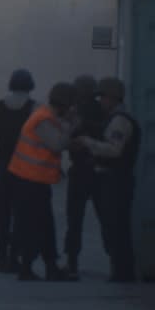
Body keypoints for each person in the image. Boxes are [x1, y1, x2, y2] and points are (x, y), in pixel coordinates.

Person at [73, 77, 140, 283]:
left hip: (116, 181)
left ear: (112, 97)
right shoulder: (114, 118)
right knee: (115, 226)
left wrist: (88, 142)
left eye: (102, 97)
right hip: (115, 179)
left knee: (117, 227)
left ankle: (122, 272)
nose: (100, 101)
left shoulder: (119, 120)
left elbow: (114, 150)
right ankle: (121, 270)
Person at [8, 82, 77, 281]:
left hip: (34, 180)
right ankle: (29, 267)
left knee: (44, 225)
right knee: (34, 225)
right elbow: (56, 144)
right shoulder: (43, 120)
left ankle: (47, 266)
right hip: (29, 180)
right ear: (64, 104)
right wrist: (72, 127)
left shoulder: (46, 116)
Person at [0, 69, 37, 274]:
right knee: (22, 213)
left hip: (2, 164)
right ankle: (15, 256)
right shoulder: (35, 107)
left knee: (2, 213)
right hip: (25, 166)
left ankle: (1, 258)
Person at [63, 75, 105, 277]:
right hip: (99, 172)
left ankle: (72, 264)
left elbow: (67, 136)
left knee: (74, 221)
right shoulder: (103, 112)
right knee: (106, 218)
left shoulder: (75, 112)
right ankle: (118, 262)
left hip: (80, 170)